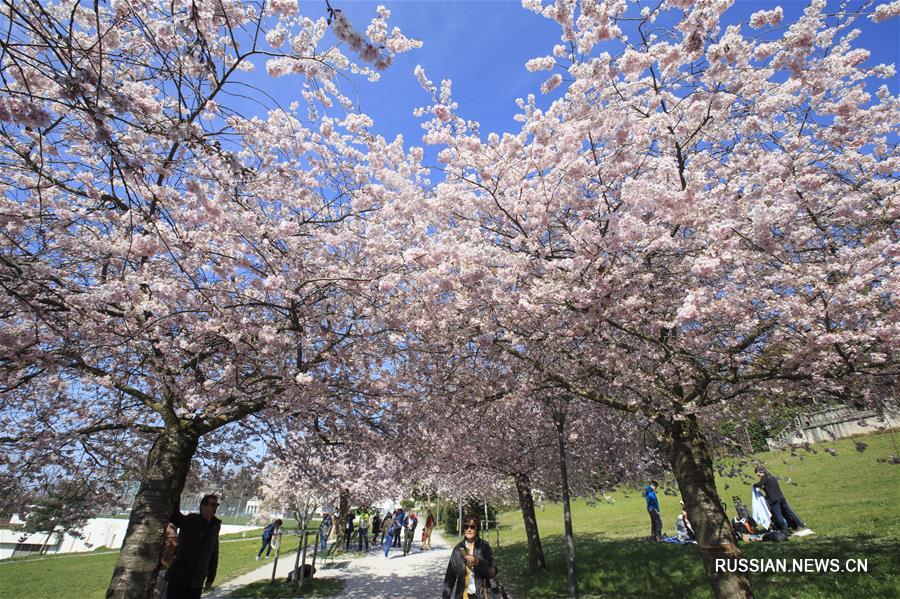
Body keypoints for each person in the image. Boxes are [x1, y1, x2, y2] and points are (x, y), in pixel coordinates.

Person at [166, 494, 221, 599]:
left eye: (217, 505)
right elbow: (176, 518)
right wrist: (176, 495)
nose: (215, 508)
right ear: (203, 506)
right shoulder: (192, 520)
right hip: (179, 578)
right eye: (213, 505)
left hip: (197, 581)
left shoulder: (215, 526)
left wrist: (211, 577)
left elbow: (214, 552)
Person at [442, 514, 495, 599]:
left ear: (477, 528)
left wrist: (477, 563)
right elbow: (450, 577)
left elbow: (493, 572)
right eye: (466, 527)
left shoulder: (484, 547)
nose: (469, 530)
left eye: (472, 527)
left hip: (482, 595)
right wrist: (446, 596)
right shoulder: (459, 549)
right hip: (463, 596)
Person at [753, 467, 806, 531]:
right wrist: (764, 488)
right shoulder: (771, 476)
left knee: (778, 515)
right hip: (781, 497)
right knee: (790, 512)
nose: (757, 475)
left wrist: (754, 485)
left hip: (774, 500)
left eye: (757, 473)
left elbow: (759, 484)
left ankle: (785, 529)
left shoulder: (764, 477)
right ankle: (800, 524)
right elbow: (770, 487)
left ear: (760, 472)